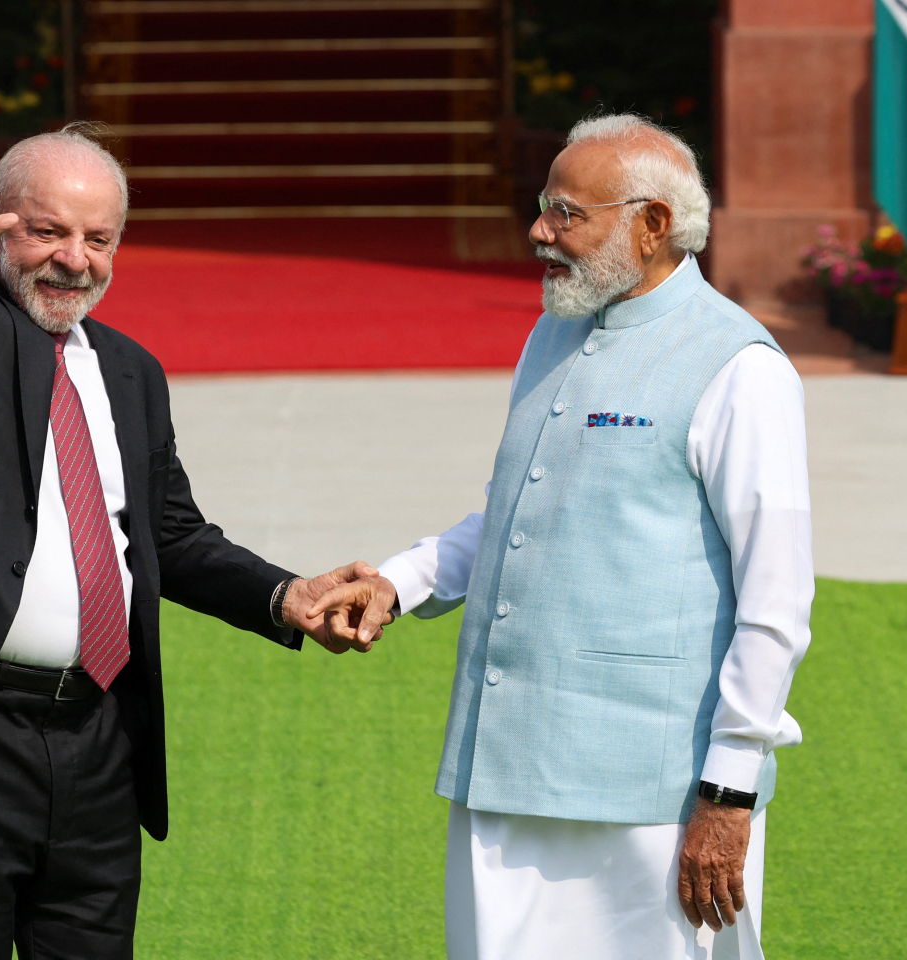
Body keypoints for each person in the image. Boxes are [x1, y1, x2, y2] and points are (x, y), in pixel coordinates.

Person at [0, 124, 380, 960]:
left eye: (99, 239)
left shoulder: (131, 370)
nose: (74, 260)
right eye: (48, 231)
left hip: (101, 737)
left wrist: (283, 596)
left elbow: (170, 536)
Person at [310, 113, 813, 960]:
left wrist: (728, 792)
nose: (539, 232)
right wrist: (401, 581)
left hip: (653, 797)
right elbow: (519, 513)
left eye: (566, 214)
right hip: (502, 765)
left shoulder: (741, 367)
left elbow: (777, 602)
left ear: (653, 224)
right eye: (544, 208)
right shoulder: (554, 330)